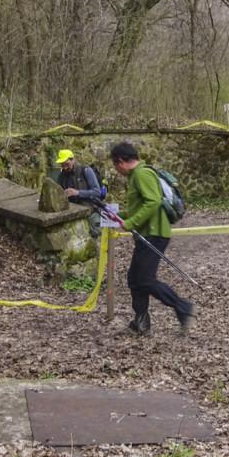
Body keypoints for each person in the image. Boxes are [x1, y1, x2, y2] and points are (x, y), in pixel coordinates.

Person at [110, 141, 197, 336]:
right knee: (134, 279)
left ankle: (184, 308)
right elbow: (139, 206)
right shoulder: (137, 175)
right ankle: (141, 323)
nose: (116, 170)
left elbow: (153, 202)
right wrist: (119, 215)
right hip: (147, 234)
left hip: (155, 234)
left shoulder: (141, 174)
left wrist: (130, 223)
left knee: (145, 279)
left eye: (115, 166)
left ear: (121, 161)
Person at [54, 149, 102, 240]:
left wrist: (77, 192)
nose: (65, 168)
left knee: (95, 240)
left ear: (73, 160)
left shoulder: (86, 171)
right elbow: (57, 189)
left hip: (90, 211)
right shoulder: (62, 174)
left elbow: (97, 191)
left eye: (67, 164)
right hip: (72, 213)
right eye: (62, 165)